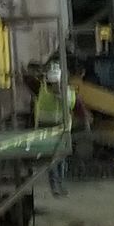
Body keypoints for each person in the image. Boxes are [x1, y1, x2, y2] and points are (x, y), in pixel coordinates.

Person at [34, 55, 77, 194]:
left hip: (61, 129)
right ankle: (55, 186)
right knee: (53, 159)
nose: (55, 86)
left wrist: (61, 95)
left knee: (61, 159)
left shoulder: (67, 92)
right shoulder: (44, 90)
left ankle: (59, 184)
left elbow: (71, 104)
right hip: (47, 128)